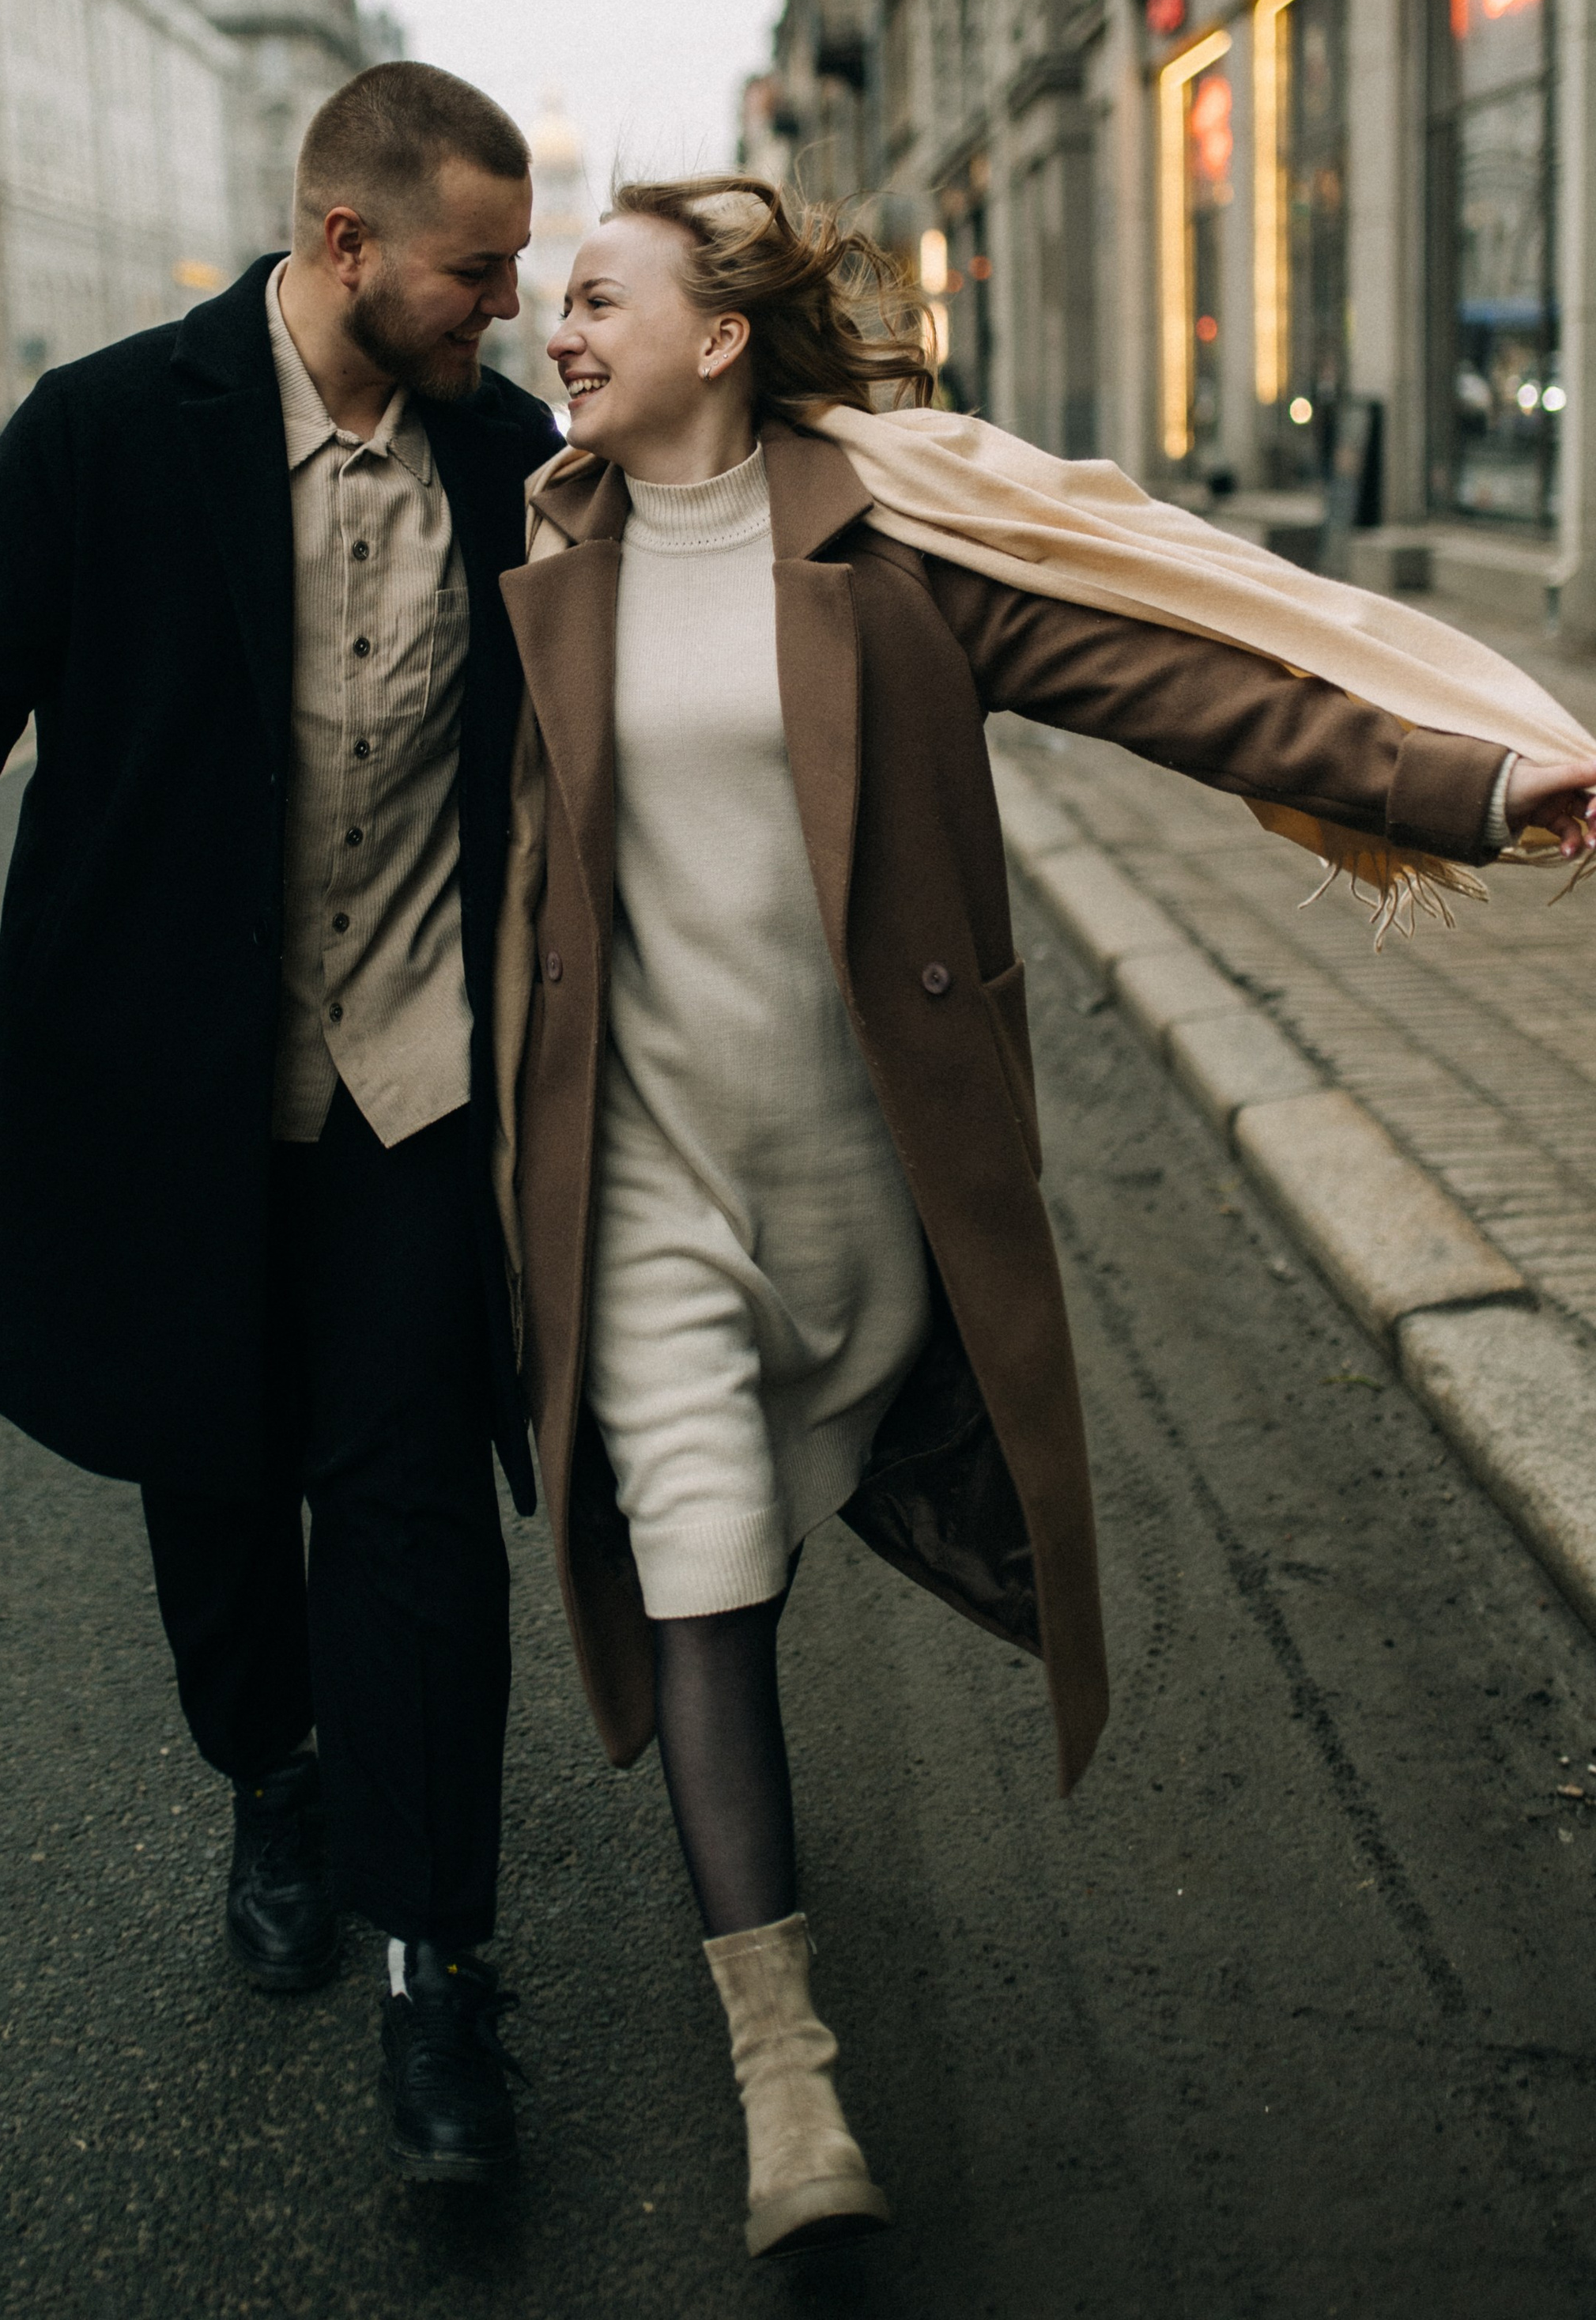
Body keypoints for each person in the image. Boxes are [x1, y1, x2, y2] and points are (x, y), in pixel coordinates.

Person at [493, 176, 1596, 2261]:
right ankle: (784, 2082)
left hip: (864, 1165)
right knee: (697, 1556)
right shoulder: (554, 561)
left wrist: (1469, 788)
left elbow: (1174, 689)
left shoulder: (889, 557)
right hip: (639, 1167)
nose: (563, 330)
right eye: (555, 303)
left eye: (600, 298)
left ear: (720, 338)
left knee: (785, 1497)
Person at [0, 62, 563, 2186]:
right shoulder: (117, 432)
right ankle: (273, 1775)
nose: (510, 296)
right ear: (347, 242)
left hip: (414, 1091)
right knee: (212, 1485)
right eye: (477, 264)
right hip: (171, 1086)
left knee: (410, 1519)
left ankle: (439, 1972)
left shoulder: (511, 460)